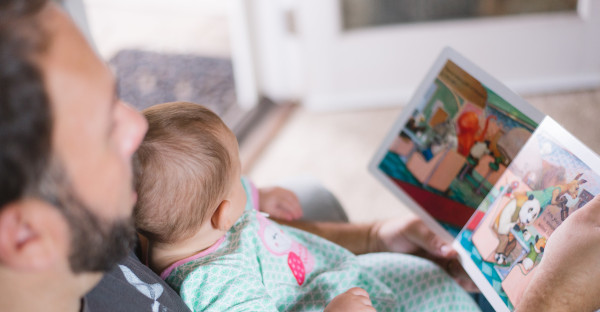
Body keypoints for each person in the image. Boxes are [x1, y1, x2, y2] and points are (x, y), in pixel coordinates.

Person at [1, 1, 599, 311]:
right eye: (104, 128)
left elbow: (240, 232)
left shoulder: (112, 222)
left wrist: (367, 233)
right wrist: (552, 297)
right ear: (26, 236)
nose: (136, 122)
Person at [134, 101, 480, 311]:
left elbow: (218, 195)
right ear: (223, 214)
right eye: (240, 176)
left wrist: (257, 195)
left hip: (340, 277)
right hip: (329, 300)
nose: (245, 182)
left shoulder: (188, 227)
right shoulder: (217, 285)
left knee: (432, 276)